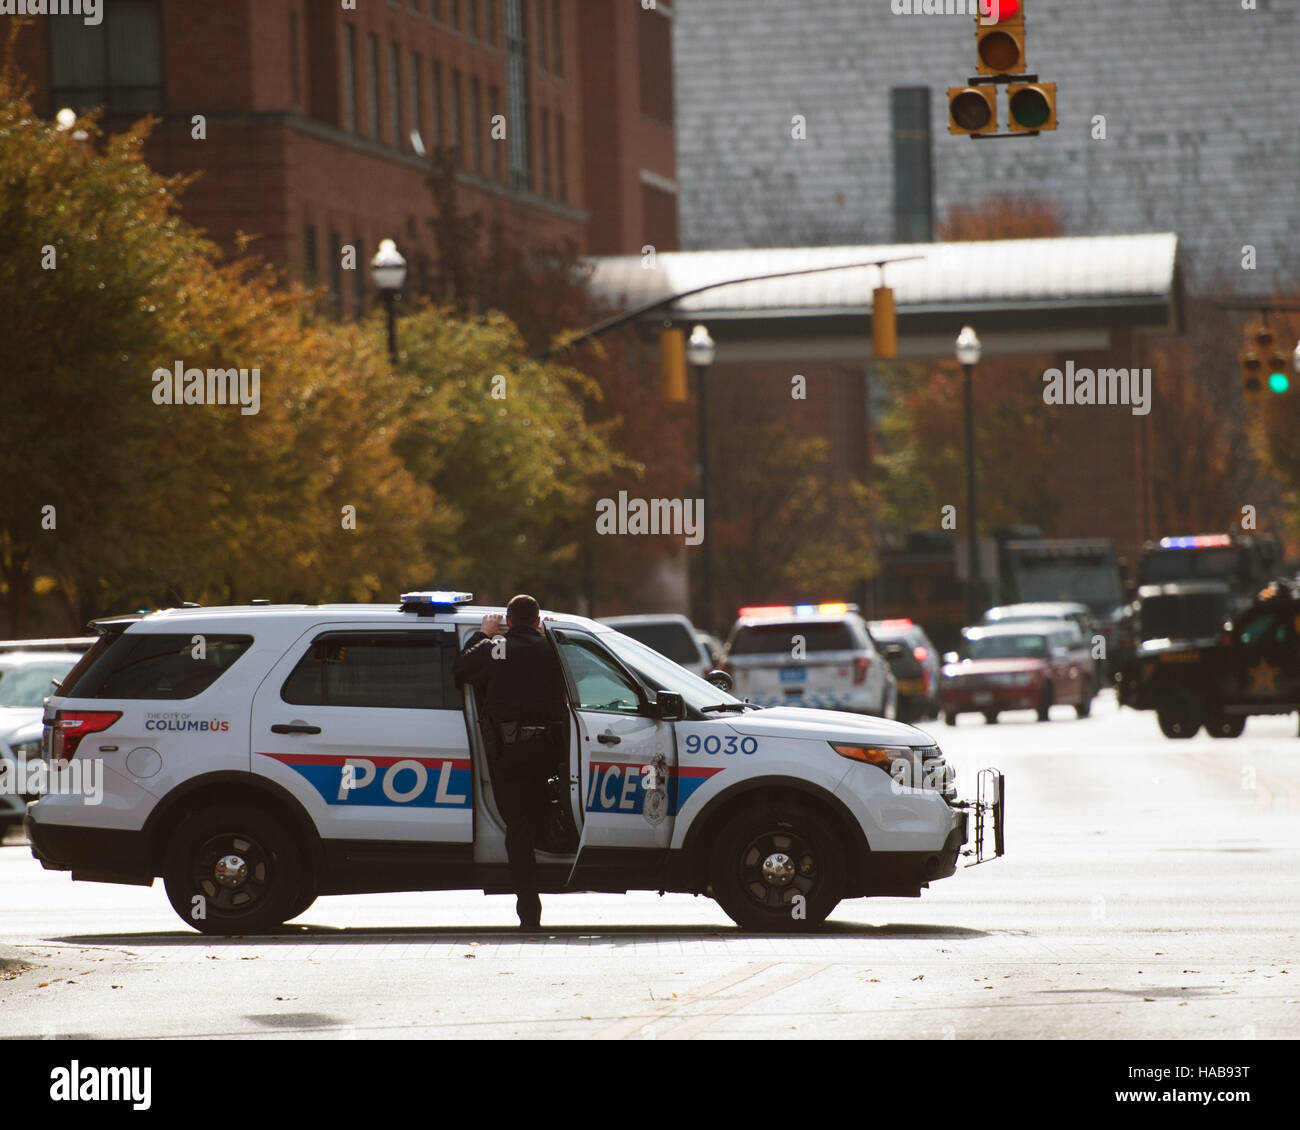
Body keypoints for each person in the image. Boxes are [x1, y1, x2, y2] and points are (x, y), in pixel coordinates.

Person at [453, 594, 567, 930]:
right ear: (537, 621)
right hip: (549, 754)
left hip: (510, 755)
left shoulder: (496, 646)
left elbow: (459, 669)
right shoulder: (551, 648)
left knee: (517, 829)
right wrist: (552, 636)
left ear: (508, 619)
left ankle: (529, 912)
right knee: (546, 815)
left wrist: (483, 635)